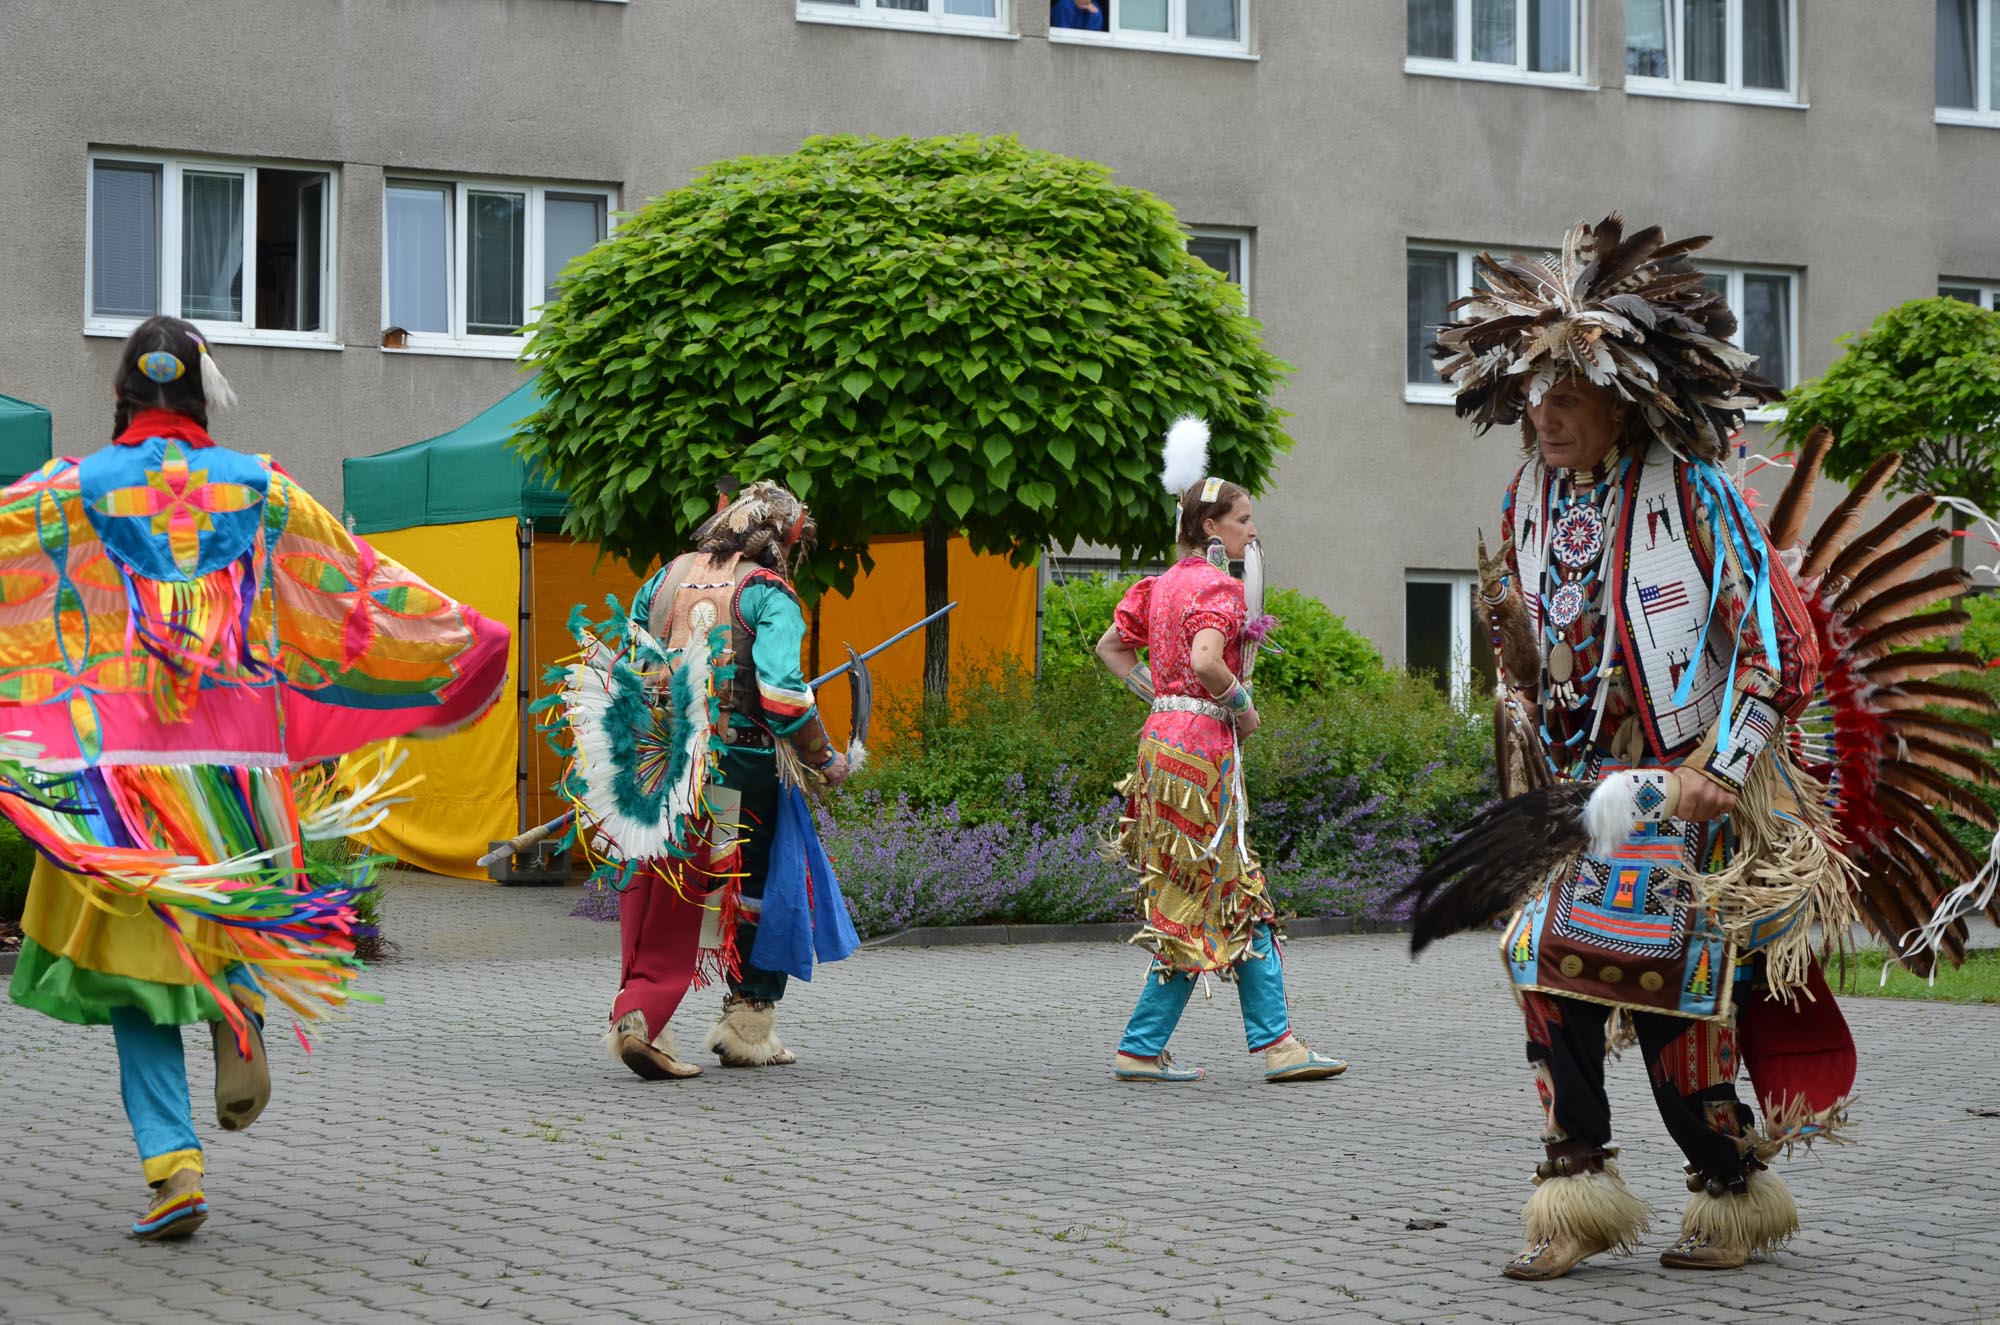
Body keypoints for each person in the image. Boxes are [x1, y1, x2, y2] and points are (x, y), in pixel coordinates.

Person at [1413, 215, 1861, 1280]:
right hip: (1573, 796)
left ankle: (1726, 1185)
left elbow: (1772, 646)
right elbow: (1543, 660)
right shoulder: (1529, 496)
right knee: (1545, 973)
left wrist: (1720, 765)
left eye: (1566, 395)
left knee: (1666, 990)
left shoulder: (1691, 490)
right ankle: (1573, 1192)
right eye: (1533, 394)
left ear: (1622, 402)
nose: (1544, 412)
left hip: (1682, 787)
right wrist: (1514, 662)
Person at [2, 315, 511, 1239]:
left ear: (122, 394)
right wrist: (460, 638)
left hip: (127, 775)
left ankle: (173, 1165)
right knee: (232, 913)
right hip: (238, 772)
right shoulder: (262, 490)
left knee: (133, 970)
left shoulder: (71, 491)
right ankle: (239, 1024)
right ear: (201, 396)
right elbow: (354, 589)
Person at [563, 480, 856, 1080]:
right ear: (777, 539)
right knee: (754, 886)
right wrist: (825, 757)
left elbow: (634, 662)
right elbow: (780, 695)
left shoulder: (664, 578)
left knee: (664, 880)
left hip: (666, 763)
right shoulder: (768, 594)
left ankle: (642, 1017)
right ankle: (747, 1024)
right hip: (741, 769)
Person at [1092, 418, 1347, 1085]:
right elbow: (1208, 659)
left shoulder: (1162, 584)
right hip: (1202, 755)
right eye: (1243, 521)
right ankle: (1254, 1045)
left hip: (1160, 747)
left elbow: (1110, 648)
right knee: (1222, 891)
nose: (1252, 533)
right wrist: (1239, 706)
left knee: (1215, 893)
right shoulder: (1217, 587)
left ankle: (1175, 1044)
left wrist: (1161, 694)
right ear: (1213, 532)